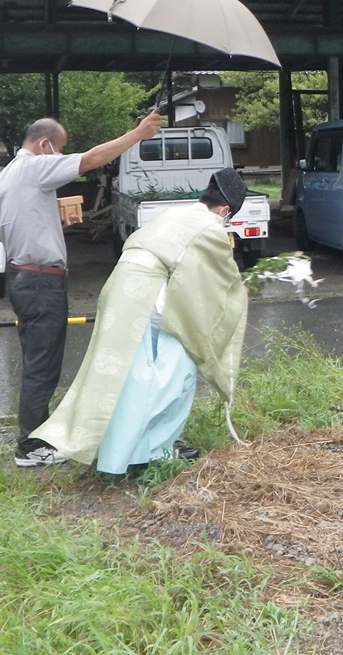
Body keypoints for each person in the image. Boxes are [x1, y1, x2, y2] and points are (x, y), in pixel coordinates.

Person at [30, 167, 249, 475]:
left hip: (121, 290)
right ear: (225, 209)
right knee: (176, 375)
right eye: (230, 217)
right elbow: (222, 280)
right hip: (148, 295)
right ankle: (152, 452)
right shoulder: (210, 227)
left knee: (125, 378)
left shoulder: (175, 213)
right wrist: (238, 294)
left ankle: (119, 452)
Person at [0, 112, 162, 467]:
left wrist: (45, 211)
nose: (60, 155)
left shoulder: (8, 175)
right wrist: (137, 133)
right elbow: (92, 159)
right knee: (43, 366)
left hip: (22, 278)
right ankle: (30, 445)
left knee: (37, 361)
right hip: (41, 282)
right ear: (43, 145)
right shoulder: (36, 167)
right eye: (59, 149)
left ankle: (34, 438)